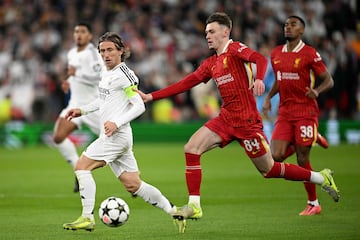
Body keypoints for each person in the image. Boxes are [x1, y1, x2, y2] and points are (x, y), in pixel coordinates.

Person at [135, 12, 340, 233]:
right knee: (191, 148)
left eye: (212, 31)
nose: (207, 36)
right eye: (206, 33)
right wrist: (151, 96)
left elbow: (259, 59)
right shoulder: (211, 63)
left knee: (269, 169)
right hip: (226, 119)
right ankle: (195, 205)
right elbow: (188, 82)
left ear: (225, 32)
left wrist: (260, 79)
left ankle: (321, 177)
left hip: (247, 122)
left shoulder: (234, 49)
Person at [62, 32, 177, 231]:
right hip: (115, 137)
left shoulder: (125, 75)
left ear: (121, 51)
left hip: (115, 136)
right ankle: (174, 211)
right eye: (102, 51)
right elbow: (103, 99)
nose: (106, 55)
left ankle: (87, 217)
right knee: (133, 184)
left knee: (81, 166)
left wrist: (116, 122)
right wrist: (82, 110)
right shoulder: (107, 73)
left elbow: (139, 105)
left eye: (110, 50)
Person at [262, 16, 335, 216]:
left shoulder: (310, 53)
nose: (288, 27)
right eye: (286, 24)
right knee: (274, 157)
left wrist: (317, 92)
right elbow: (280, 79)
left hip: (305, 111)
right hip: (285, 111)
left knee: (303, 159)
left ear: (302, 30)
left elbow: (329, 80)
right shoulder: (276, 53)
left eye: (293, 24)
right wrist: (269, 98)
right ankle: (312, 137)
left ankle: (313, 203)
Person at [52, 22, 103, 192]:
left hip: (93, 106)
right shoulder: (72, 53)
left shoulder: (94, 54)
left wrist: (77, 75)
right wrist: (69, 81)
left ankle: (133, 178)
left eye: (82, 32)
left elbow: (99, 77)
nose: (78, 35)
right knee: (58, 136)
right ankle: (78, 169)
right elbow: (74, 74)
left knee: (114, 142)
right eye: (76, 32)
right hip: (75, 104)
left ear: (89, 35)